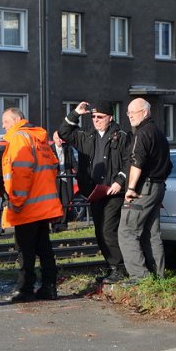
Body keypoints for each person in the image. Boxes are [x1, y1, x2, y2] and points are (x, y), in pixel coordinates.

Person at [58, 101, 131, 282]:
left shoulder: (121, 136)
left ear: (110, 118)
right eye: (93, 117)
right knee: (99, 231)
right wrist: (76, 113)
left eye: (100, 117)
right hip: (94, 191)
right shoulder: (86, 136)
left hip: (114, 192)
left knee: (108, 229)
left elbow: (129, 161)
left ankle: (119, 268)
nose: (96, 120)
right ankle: (112, 266)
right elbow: (63, 133)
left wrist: (120, 181)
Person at [0, 108, 63, 302]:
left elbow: (21, 171)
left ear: (17, 119)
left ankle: (25, 289)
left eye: (6, 121)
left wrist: (17, 201)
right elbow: (54, 166)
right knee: (44, 247)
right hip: (43, 205)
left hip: (27, 205)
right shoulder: (39, 137)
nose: (3, 125)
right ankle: (49, 287)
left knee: (25, 250)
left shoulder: (19, 138)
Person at [119, 98, 172, 283]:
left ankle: (140, 277)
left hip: (143, 188)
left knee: (127, 231)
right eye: (128, 113)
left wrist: (131, 188)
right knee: (151, 232)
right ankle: (158, 276)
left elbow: (137, 162)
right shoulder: (159, 134)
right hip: (158, 187)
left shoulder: (141, 133)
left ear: (145, 112)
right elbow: (169, 165)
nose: (129, 116)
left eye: (133, 112)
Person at [50, 130, 76, 233]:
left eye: (61, 138)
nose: (60, 140)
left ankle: (63, 224)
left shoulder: (67, 148)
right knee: (56, 202)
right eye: (57, 138)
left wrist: (78, 172)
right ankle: (55, 224)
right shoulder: (50, 149)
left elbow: (73, 161)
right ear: (53, 139)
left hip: (65, 178)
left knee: (66, 201)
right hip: (55, 179)